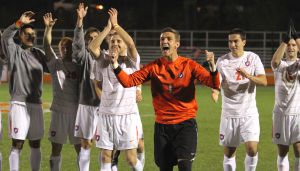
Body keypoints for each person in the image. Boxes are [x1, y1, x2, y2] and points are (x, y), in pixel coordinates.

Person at [110, 26, 220, 171]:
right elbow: (128, 81)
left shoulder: (189, 65)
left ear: (177, 44)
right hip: (162, 127)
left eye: (169, 39)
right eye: (162, 39)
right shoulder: (154, 67)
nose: (164, 41)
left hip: (185, 124)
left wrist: (212, 66)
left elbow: (213, 83)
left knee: (185, 166)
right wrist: (115, 64)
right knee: (165, 168)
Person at [88, 8, 144, 171]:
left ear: (124, 44)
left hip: (126, 115)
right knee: (106, 155)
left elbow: (132, 44)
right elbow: (92, 47)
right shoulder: (103, 59)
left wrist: (117, 26)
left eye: (119, 41)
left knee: (131, 158)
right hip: (106, 115)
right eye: (112, 41)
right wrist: (107, 29)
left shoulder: (131, 61)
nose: (115, 44)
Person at [1, 11, 49, 171]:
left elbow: (55, 65)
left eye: (33, 35)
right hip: (19, 104)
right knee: (17, 144)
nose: (31, 37)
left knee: (35, 144)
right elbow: (5, 37)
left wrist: (48, 30)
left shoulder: (39, 54)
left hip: (36, 105)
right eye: (27, 34)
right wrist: (18, 23)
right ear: (20, 36)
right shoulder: (14, 52)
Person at [215, 28, 267, 171]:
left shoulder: (253, 58)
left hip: (249, 113)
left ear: (244, 42)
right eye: (230, 41)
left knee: (251, 148)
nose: (233, 44)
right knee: (229, 152)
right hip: (229, 113)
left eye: (236, 41)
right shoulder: (222, 61)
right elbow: (216, 83)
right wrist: (215, 91)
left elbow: (264, 81)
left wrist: (248, 76)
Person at [43, 13, 81, 170]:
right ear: (59, 49)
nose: (65, 49)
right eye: (62, 47)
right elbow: (46, 45)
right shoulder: (55, 64)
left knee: (80, 149)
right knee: (56, 148)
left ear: (73, 49)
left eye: (68, 46)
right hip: (58, 111)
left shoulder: (79, 66)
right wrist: (48, 28)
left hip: (76, 113)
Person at [72, 3, 101, 171]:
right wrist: (80, 21)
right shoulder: (83, 57)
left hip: (104, 107)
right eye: (90, 38)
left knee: (105, 146)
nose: (93, 41)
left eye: (96, 37)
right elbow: (77, 45)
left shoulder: (106, 57)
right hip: (86, 105)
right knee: (85, 144)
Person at [271, 20, 300, 171]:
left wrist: (297, 39)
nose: (291, 47)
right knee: (282, 152)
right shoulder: (280, 65)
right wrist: (285, 40)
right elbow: (275, 60)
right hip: (281, 114)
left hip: (298, 114)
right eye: (289, 45)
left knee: (299, 152)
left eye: (293, 45)